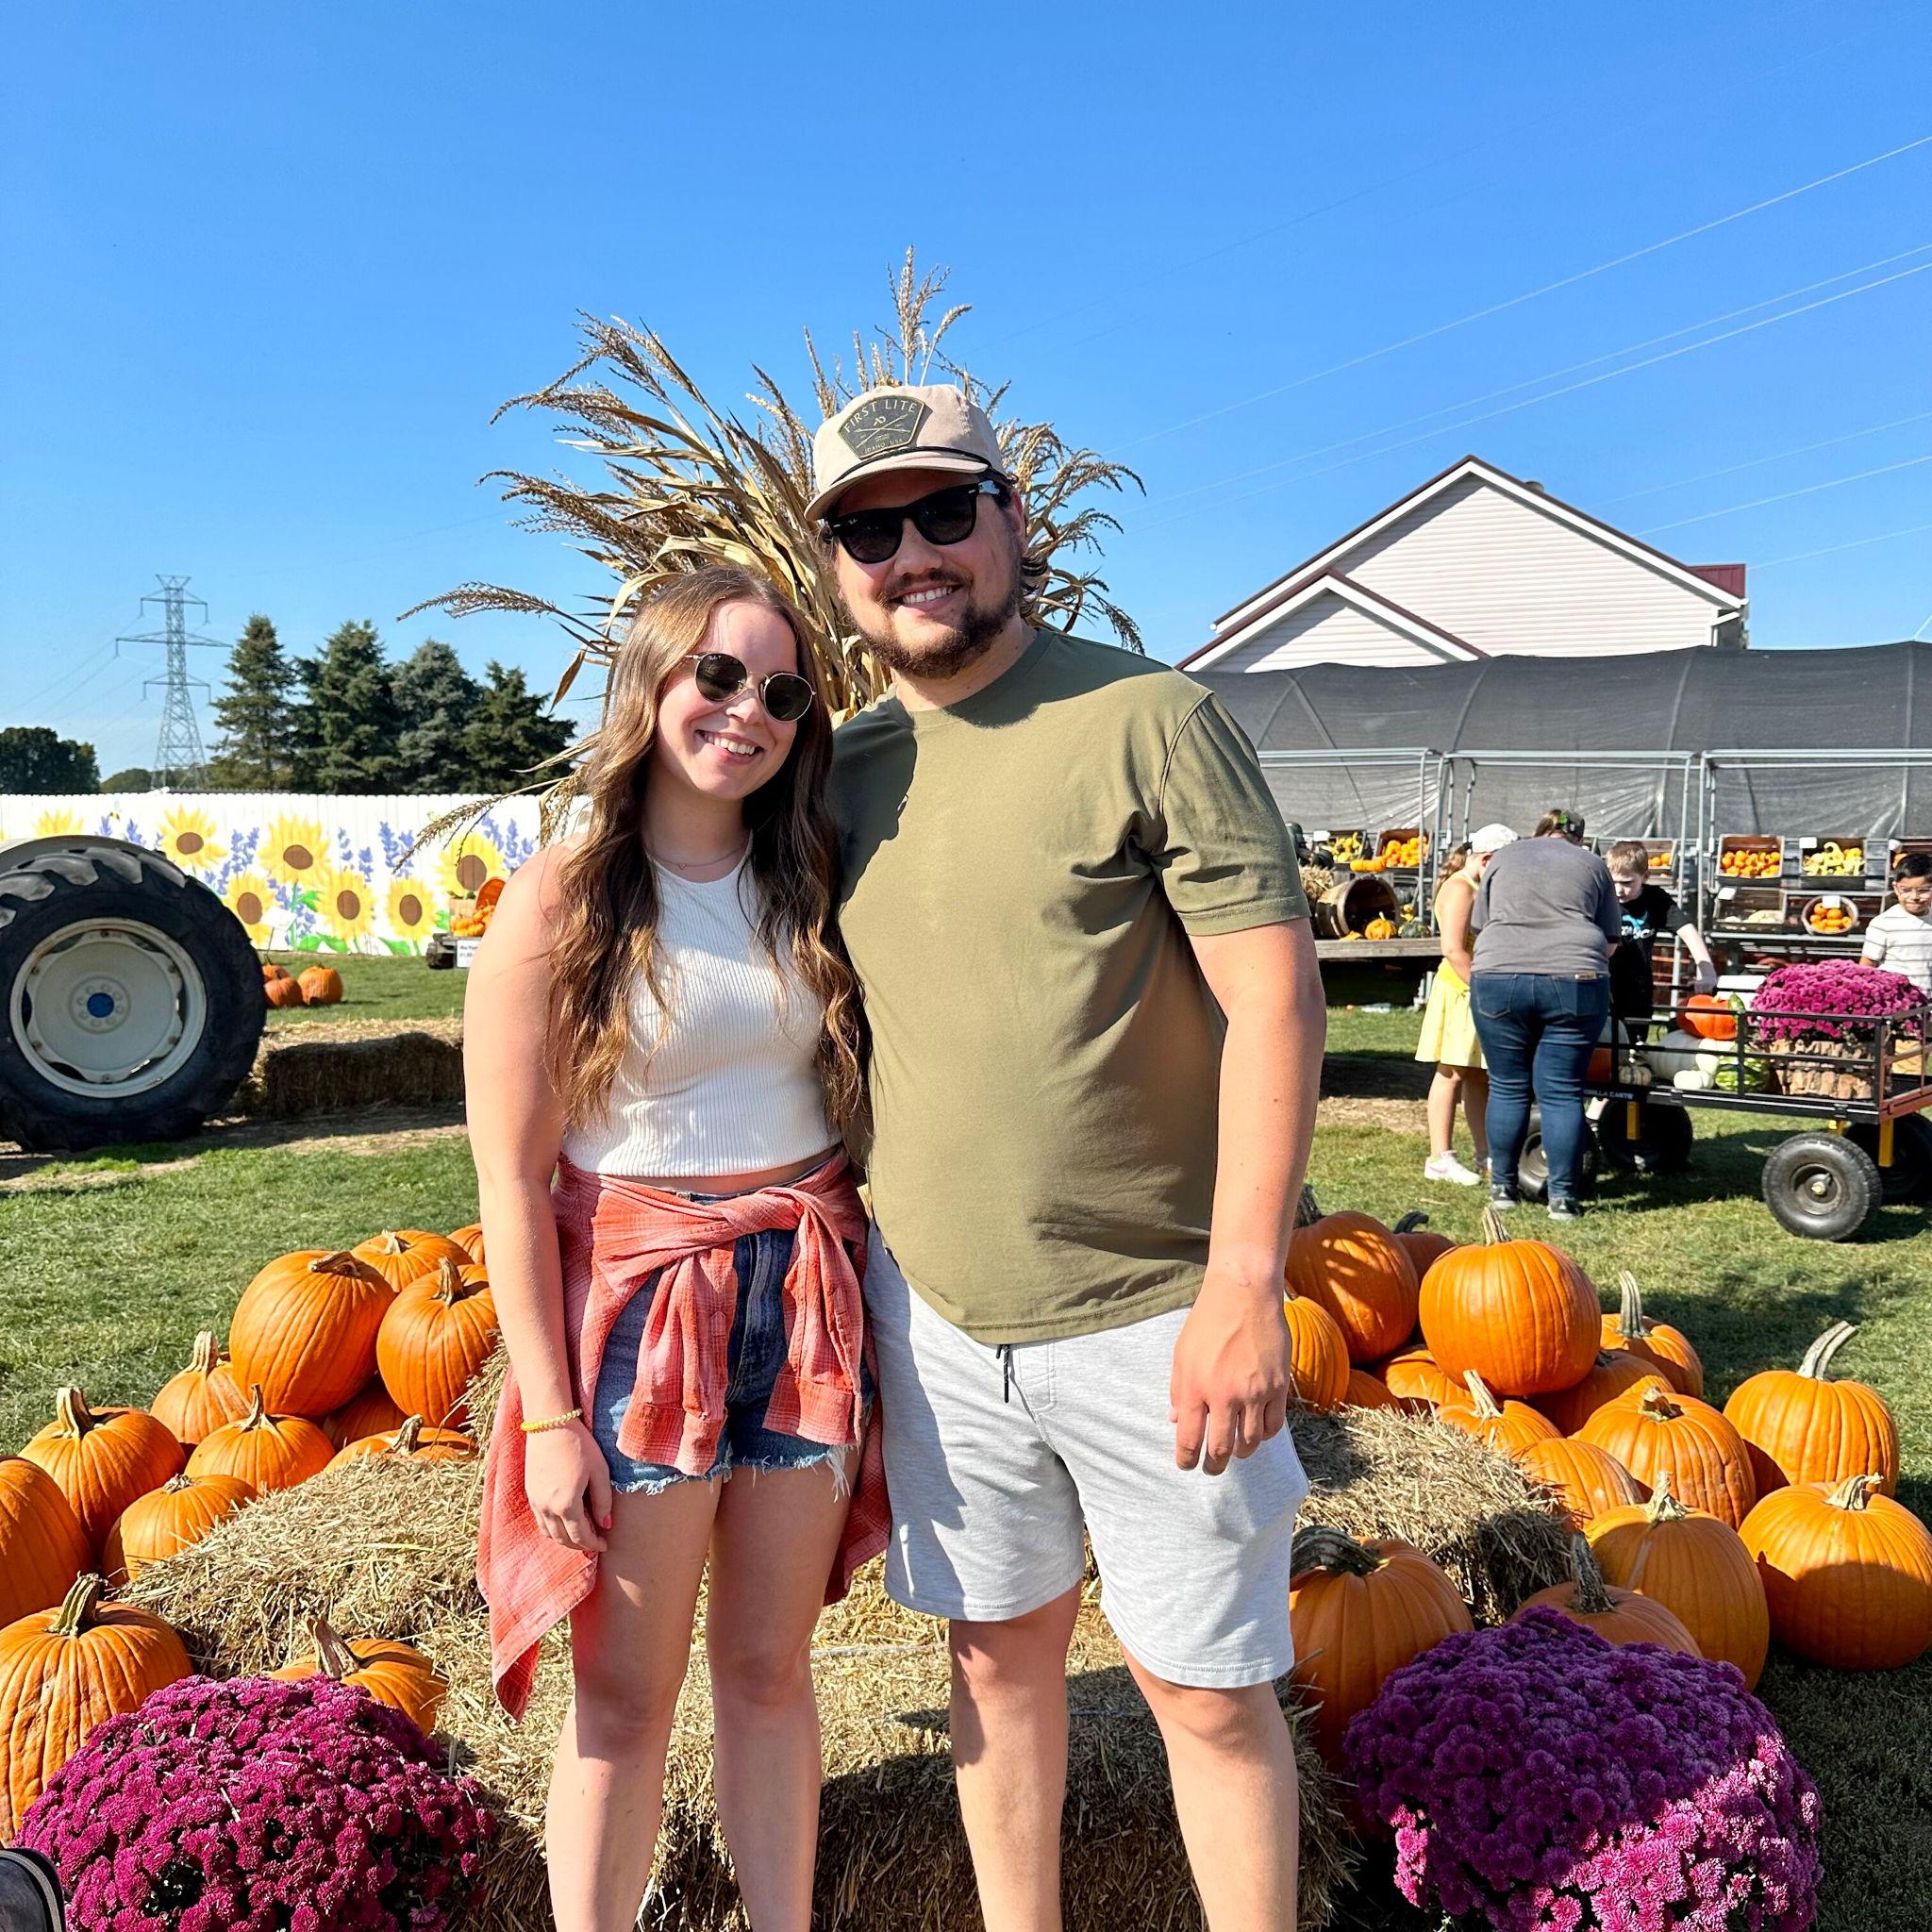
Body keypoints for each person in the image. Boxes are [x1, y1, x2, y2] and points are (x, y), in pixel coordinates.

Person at [815, 384, 1324, 1932]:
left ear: (1012, 522)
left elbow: (1271, 995)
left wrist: (1244, 1281)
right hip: (938, 1316)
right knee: (992, 1658)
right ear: (834, 563)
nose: (911, 553)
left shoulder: (1148, 717)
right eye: (866, 527)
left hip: (1158, 1307)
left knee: (1208, 1691)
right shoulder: (837, 774)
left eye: (942, 512)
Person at [468, 565, 879, 1932]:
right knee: (626, 1694)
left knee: (768, 1669)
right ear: (651, 678)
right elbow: (514, 1178)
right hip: (647, 1312)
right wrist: (544, 1417)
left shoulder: (807, 875)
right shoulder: (561, 900)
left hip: (804, 1290)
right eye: (717, 675)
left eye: (778, 690)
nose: (746, 711)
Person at [1468, 808, 1621, 1223]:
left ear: (1541, 832)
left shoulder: (1502, 858)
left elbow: (1481, 924)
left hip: (1499, 974)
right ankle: (1564, 1199)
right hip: (1575, 976)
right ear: (1578, 839)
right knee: (1561, 1092)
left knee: (1507, 1085)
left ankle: (1502, 1188)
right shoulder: (1593, 864)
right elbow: (1610, 942)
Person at [1414, 826, 1515, 1184]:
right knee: (1452, 1072)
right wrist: (1484, 989)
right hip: (1460, 992)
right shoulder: (1460, 889)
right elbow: (1454, 950)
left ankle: (1484, 1152)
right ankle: (1440, 1157)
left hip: (1474, 990)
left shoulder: (1478, 886)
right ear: (1486, 860)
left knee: (1477, 1074)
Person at [1605, 839, 1718, 1028]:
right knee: (1605, 1047)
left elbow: (1688, 932)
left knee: (1634, 1046)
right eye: (1613, 882)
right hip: (1604, 985)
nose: (1618, 890)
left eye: (1627, 883)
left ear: (1646, 876)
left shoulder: (1656, 899)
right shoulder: (1603, 897)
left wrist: (1707, 973)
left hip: (1638, 988)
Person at [1860, 852, 1932, 995]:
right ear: (1895, 887)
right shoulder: (1883, 924)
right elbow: (1866, 968)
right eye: (1905, 890)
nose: (1914, 897)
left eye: (1923, 891)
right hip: (1898, 1004)